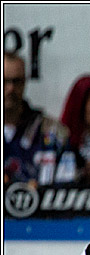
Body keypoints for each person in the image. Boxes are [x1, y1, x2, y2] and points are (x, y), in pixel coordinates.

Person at [3, 51, 77, 186]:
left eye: (17, 81)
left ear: (25, 81)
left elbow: (67, 188)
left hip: (43, 206)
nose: (10, 88)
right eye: (4, 81)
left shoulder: (54, 132)